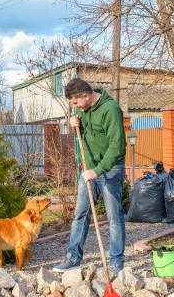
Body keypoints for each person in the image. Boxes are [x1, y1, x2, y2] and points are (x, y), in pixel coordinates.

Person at [53, 78, 127, 276]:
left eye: (75, 103)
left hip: (110, 169)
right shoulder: (82, 110)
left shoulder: (111, 110)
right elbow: (84, 132)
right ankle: (73, 258)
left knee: (114, 217)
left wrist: (98, 170)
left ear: (85, 96)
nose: (74, 107)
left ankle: (116, 262)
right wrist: (73, 123)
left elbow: (117, 145)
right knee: (80, 215)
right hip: (89, 170)